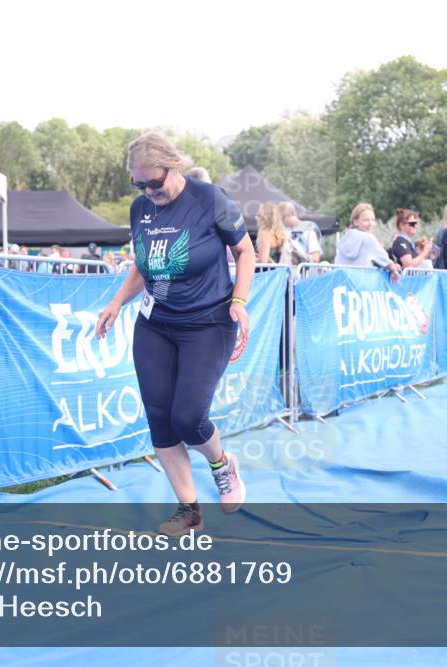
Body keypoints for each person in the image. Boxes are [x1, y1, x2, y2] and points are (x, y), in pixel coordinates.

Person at [95, 132, 255, 536]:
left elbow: (245, 251)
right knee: (160, 421)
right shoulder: (140, 209)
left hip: (208, 322)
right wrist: (117, 302)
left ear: (174, 165)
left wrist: (239, 301)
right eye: (139, 185)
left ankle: (222, 466)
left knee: (188, 417)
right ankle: (188, 509)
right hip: (155, 325)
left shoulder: (209, 199)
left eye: (155, 182)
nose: (149, 192)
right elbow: (142, 263)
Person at [336, 203, 401, 281]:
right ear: (355, 221)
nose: (370, 224)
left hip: (341, 280)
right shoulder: (367, 238)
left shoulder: (345, 237)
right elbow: (383, 258)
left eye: (373, 220)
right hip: (361, 282)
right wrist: (393, 267)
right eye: (366, 220)